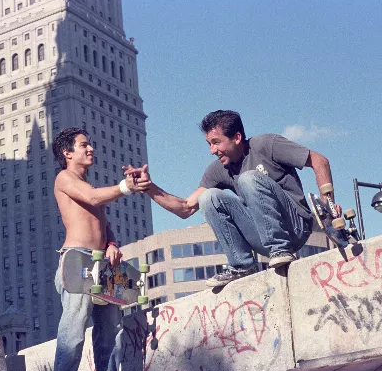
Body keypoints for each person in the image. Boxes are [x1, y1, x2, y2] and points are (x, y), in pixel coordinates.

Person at [125, 110, 341, 287]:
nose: (212, 150)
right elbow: (185, 208)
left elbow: (319, 161)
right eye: (209, 144)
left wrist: (328, 204)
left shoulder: (267, 144)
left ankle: (280, 247)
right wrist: (149, 187)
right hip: (262, 239)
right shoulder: (219, 170)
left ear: (237, 137)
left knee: (248, 179)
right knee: (209, 197)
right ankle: (242, 265)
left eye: (216, 142)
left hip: (295, 226)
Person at [49, 127, 149, 371]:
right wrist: (126, 187)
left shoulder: (87, 184)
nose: (90, 148)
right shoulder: (65, 178)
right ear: (68, 153)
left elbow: (100, 222)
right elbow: (93, 199)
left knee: (111, 326)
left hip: (102, 265)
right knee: (75, 324)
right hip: (76, 259)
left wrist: (113, 243)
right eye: (83, 145)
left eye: (90, 144)